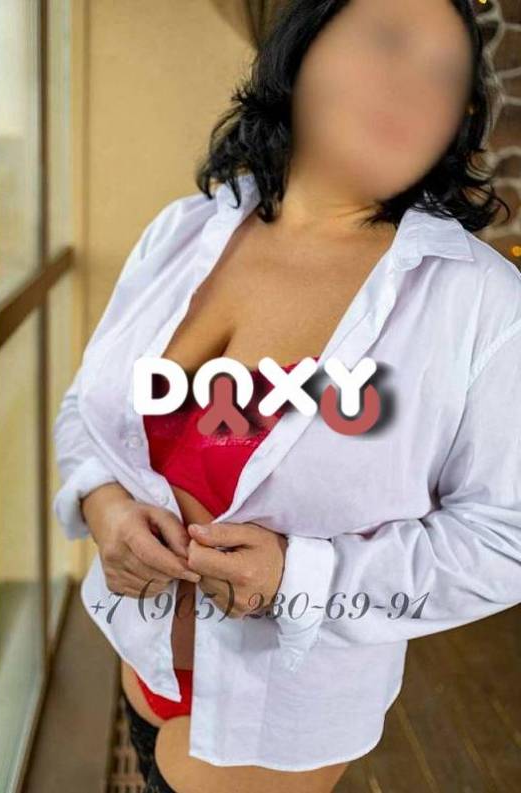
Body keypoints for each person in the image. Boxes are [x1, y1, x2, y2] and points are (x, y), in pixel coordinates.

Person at [53, 1, 521, 791]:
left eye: (446, 75)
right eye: (386, 40)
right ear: (302, 52)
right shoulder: (183, 231)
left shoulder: (479, 301)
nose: (414, 87)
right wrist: (102, 506)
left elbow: (506, 536)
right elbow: (84, 411)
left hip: (273, 721)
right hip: (134, 655)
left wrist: (298, 577)